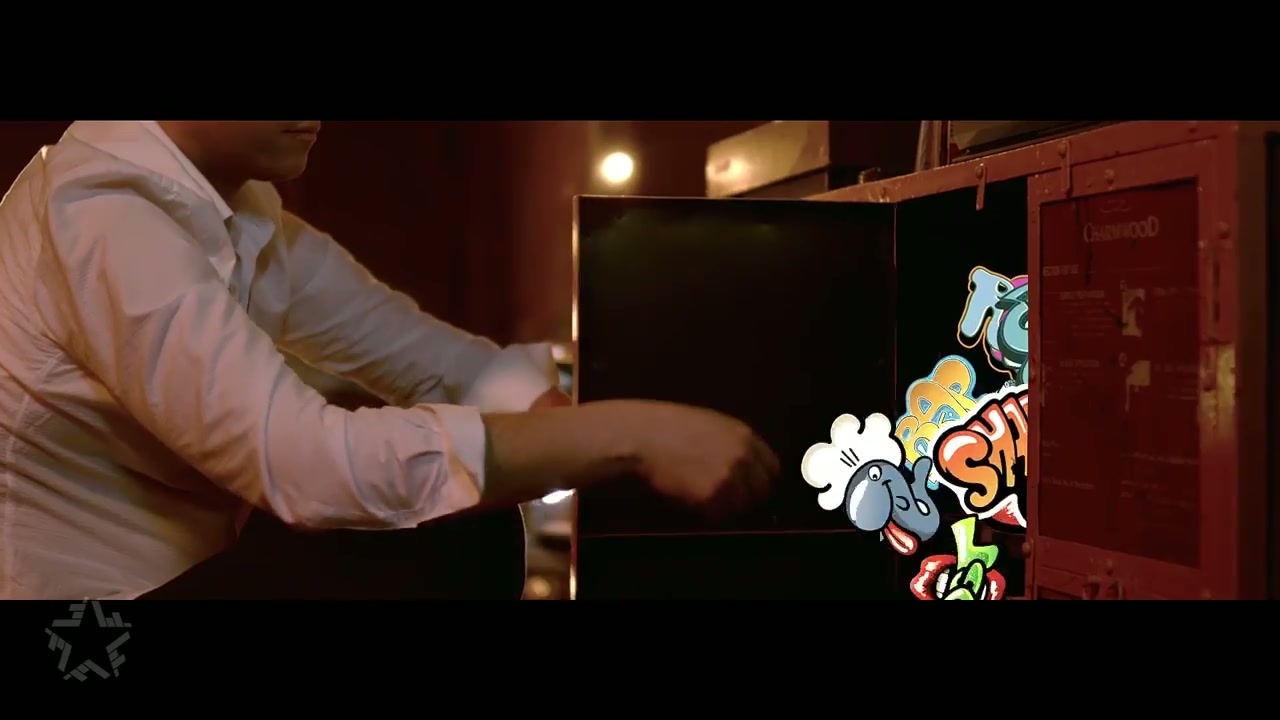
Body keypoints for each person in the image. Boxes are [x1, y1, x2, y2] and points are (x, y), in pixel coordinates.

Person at [0, 121, 780, 600]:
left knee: (459, 519)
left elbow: (438, 362)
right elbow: (304, 466)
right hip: (89, 632)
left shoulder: (240, 214)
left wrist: (607, 435)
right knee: (432, 527)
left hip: (194, 577)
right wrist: (632, 435)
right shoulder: (101, 211)